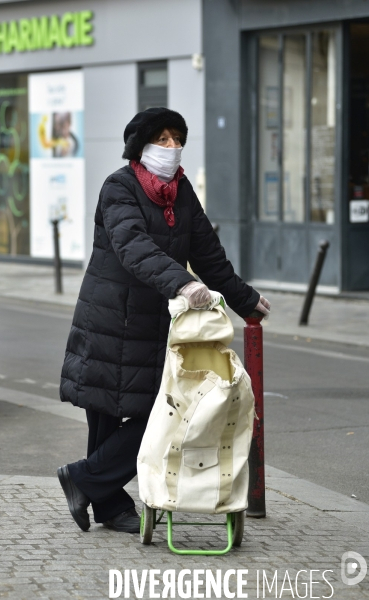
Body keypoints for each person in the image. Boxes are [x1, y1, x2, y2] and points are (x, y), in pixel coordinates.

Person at [57, 107, 270, 534]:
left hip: (156, 321)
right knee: (111, 412)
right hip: (110, 318)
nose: (171, 148)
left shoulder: (181, 191)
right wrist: (182, 283)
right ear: (141, 146)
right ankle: (105, 500)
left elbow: (207, 251)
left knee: (161, 410)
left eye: (177, 140)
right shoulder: (119, 187)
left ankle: (88, 482)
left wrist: (245, 299)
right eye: (163, 140)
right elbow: (131, 243)